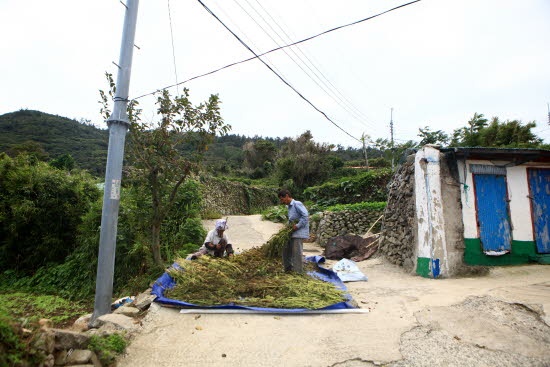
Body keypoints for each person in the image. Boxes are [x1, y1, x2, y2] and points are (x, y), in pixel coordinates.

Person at [278, 189, 309, 272]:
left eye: (282, 199)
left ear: (287, 196)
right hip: (292, 232)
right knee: (285, 249)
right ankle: (288, 268)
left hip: (298, 232)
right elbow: (291, 219)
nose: (282, 201)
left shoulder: (297, 204)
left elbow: (305, 216)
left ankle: (298, 272)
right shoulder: (289, 206)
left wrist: (298, 226)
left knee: (297, 252)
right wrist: (286, 227)